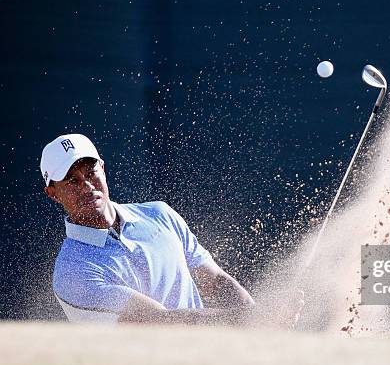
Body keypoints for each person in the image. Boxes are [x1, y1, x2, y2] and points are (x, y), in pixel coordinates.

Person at [41, 133, 302, 326]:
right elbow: (162, 324)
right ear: (52, 193)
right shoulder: (73, 271)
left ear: (104, 169)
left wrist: (262, 322)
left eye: (91, 173)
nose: (87, 186)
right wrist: (254, 319)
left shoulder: (159, 214)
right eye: (72, 181)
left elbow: (214, 281)